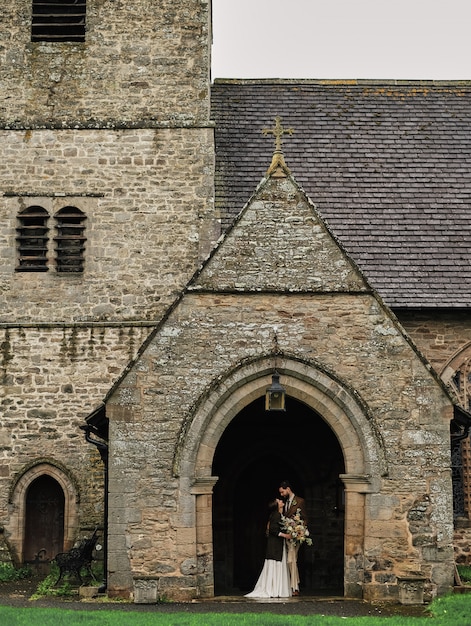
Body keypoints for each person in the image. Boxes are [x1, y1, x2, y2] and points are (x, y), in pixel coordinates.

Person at [245, 498, 292, 598]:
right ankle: (274, 589)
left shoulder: (279, 515)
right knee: (275, 564)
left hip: (277, 544)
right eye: (278, 501)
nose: (280, 500)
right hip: (275, 545)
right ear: (277, 505)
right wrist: (286, 535)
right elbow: (273, 530)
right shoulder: (276, 515)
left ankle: (277, 588)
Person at [279, 480, 308, 596]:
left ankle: (295, 587)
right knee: (291, 561)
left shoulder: (300, 501)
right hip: (288, 535)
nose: (281, 494)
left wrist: (301, 530)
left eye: (282, 492)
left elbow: (305, 518)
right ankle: (294, 586)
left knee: (291, 560)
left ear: (288, 489)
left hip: (296, 536)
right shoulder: (285, 503)